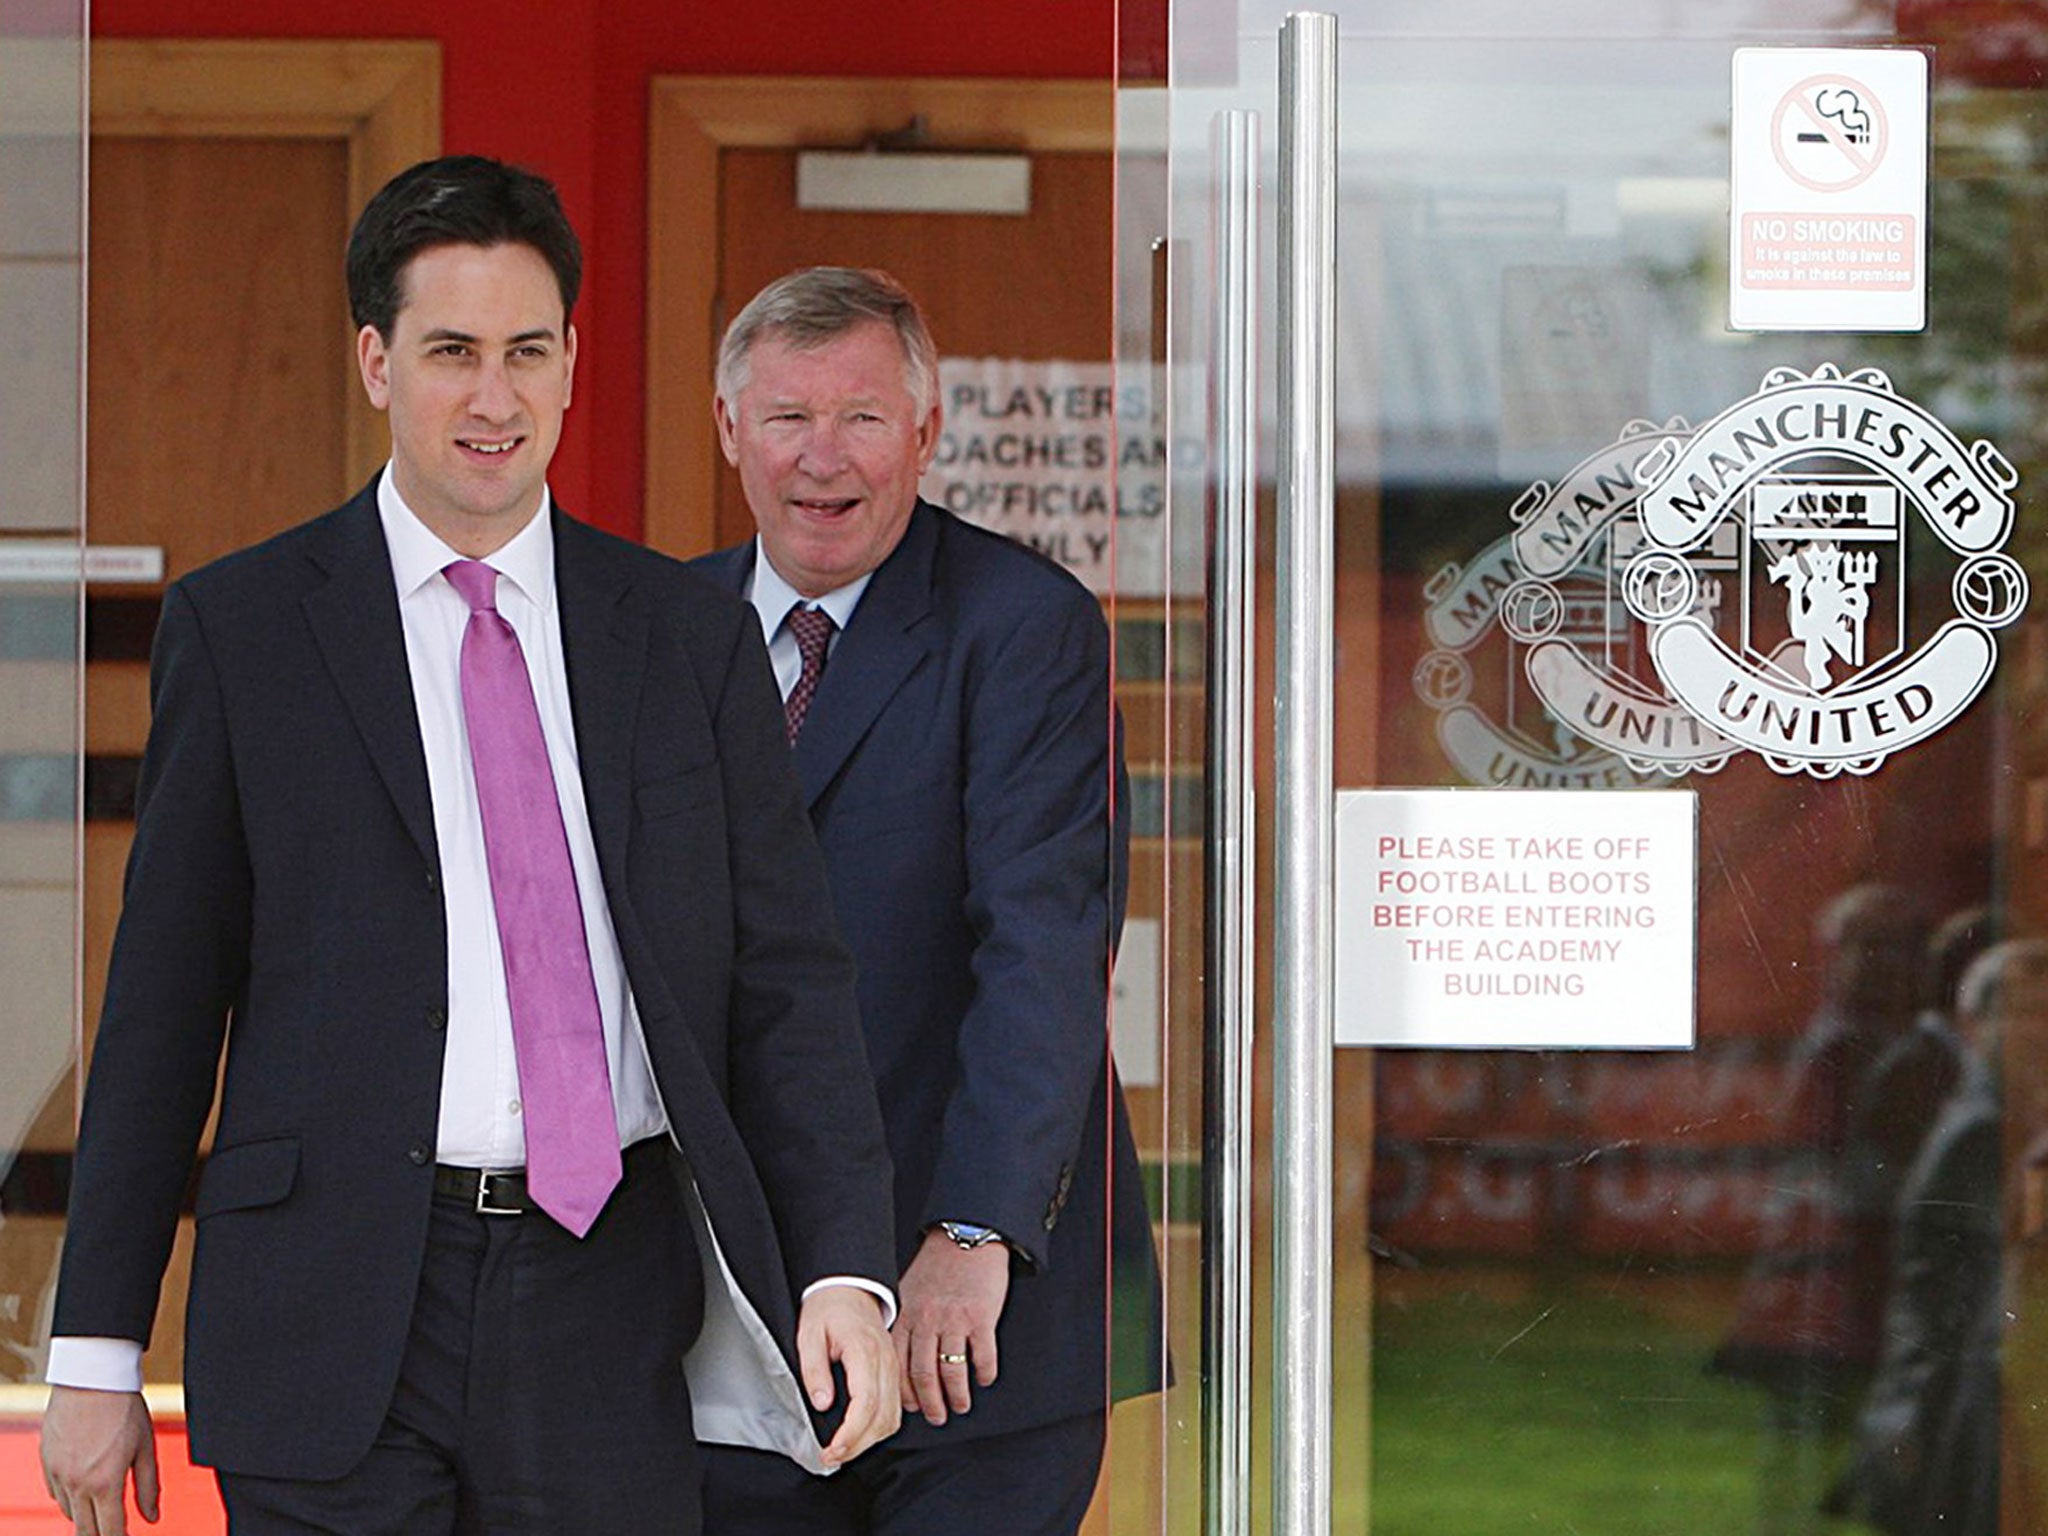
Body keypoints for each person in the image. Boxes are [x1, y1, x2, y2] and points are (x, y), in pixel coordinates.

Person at [38, 156, 899, 1536]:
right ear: (377, 363)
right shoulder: (247, 632)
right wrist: (96, 1349)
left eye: (526, 352)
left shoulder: (683, 637)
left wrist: (845, 1266)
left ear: (570, 365)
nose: (493, 399)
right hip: (332, 1298)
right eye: (451, 352)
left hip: (605, 1295)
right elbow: (162, 1005)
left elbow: (791, 977)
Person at [692, 266, 1163, 1536]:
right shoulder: (657, 633)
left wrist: (973, 1234)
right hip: (725, 1313)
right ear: (729, 430)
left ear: (926, 432)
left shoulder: (1022, 626)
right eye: (786, 417)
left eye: (861, 416)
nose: (822, 457)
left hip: (968, 1314)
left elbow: (1043, 950)